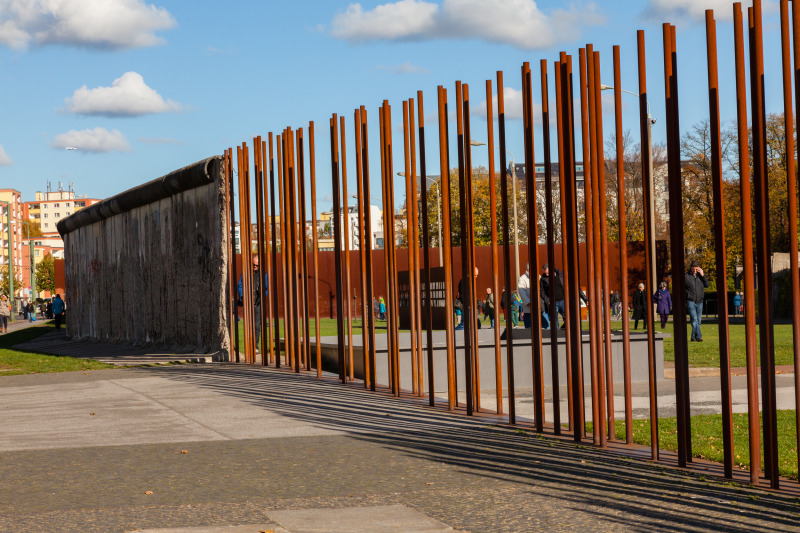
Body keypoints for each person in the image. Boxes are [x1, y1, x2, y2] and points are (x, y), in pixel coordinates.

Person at [238, 256, 269, 355]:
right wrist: (242, 296)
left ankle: (255, 347)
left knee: (256, 326)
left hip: (257, 303)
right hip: (248, 303)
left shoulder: (263, 275)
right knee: (248, 325)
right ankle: (248, 346)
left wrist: (262, 294)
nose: (255, 266)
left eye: (257, 265)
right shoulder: (245, 273)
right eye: (253, 265)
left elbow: (266, 288)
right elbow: (240, 285)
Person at [686, 259, 709, 342]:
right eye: (693, 269)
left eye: (696, 269)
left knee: (698, 321)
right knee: (694, 319)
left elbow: (707, 285)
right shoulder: (687, 276)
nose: (695, 271)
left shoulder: (701, 276)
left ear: (699, 268)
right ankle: (699, 336)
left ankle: (693, 337)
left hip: (700, 301)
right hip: (690, 301)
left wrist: (703, 275)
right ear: (691, 268)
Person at [540, 263, 566, 330]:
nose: (547, 275)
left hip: (563, 300)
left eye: (548, 273)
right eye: (545, 273)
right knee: (554, 321)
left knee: (568, 319)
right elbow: (542, 292)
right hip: (553, 302)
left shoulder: (560, 275)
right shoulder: (543, 279)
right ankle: (556, 335)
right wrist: (547, 300)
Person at [518, 263, 534, 329]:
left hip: (539, 307)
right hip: (528, 308)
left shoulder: (538, 277)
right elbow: (522, 293)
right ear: (528, 270)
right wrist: (529, 302)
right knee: (529, 327)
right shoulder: (522, 279)